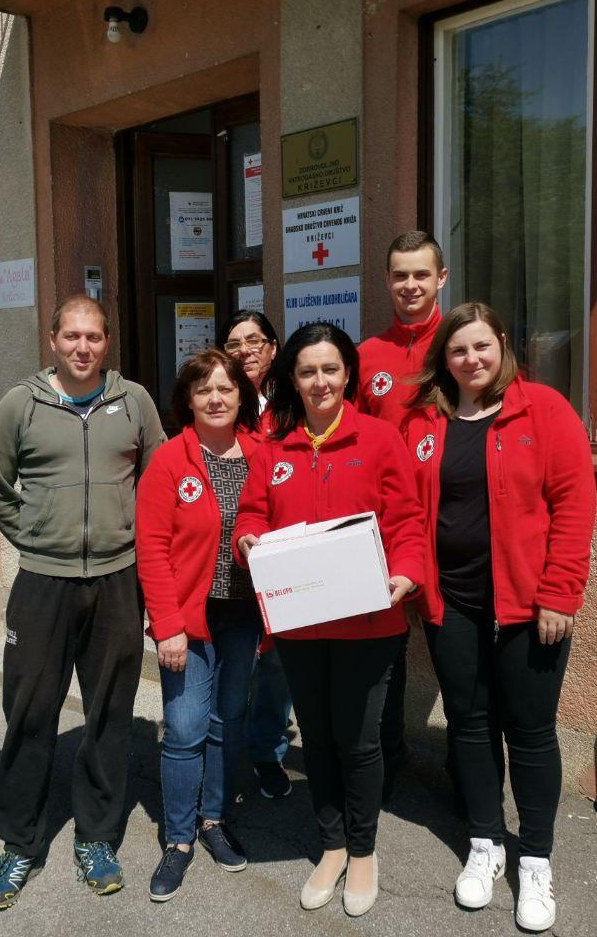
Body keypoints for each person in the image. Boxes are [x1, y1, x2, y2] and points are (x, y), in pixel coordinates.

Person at [400, 302, 595, 933]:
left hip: (530, 605)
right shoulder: (424, 419)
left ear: (502, 345)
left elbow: (574, 504)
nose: (471, 359)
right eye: (458, 350)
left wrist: (560, 592)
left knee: (530, 732)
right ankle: (484, 843)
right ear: (445, 358)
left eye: (481, 346)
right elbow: (406, 508)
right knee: (469, 725)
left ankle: (534, 858)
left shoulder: (544, 410)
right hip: (451, 602)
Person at [233, 323, 426, 918]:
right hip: (300, 626)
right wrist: (247, 540)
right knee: (316, 739)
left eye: (330, 369)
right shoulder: (276, 448)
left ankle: (363, 851)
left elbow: (407, 521)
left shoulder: (380, 439)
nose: (320, 382)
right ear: (292, 379)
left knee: (359, 742)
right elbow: (252, 513)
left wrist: (407, 573)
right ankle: (333, 844)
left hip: (369, 623)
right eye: (308, 371)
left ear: (348, 375)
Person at [0, 295, 165, 908]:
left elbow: (158, 482)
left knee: (109, 713)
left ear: (107, 342)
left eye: (94, 337)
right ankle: (19, 843)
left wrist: (135, 542)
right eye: (72, 336)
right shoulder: (20, 404)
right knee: (29, 712)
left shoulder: (134, 402)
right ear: (53, 340)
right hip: (43, 583)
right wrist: (37, 537)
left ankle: (97, 838)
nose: (83, 347)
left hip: (117, 581)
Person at [136, 349, 262, 901]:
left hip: (243, 614)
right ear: (187, 399)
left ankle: (213, 820)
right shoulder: (169, 460)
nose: (215, 398)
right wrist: (166, 624)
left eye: (226, 389)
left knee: (227, 721)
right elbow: (152, 548)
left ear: (241, 397)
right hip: (188, 616)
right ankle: (179, 838)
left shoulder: (262, 455)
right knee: (185, 728)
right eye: (203, 389)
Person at [356, 230, 450, 794]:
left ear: (441, 278)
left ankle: (471, 781)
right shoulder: (367, 355)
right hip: (384, 532)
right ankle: (387, 765)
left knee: (457, 662)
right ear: (386, 280)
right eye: (399, 275)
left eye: (421, 274)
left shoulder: (461, 346)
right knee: (383, 663)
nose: (410, 285)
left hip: (451, 530)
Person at [217, 309, 294, 801]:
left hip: (282, 545)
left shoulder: (291, 403)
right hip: (229, 549)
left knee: (276, 659)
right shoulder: (220, 399)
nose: (244, 350)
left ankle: (266, 750)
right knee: (235, 657)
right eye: (233, 343)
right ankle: (224, 752)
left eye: (254, 341)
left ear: (272, 348)